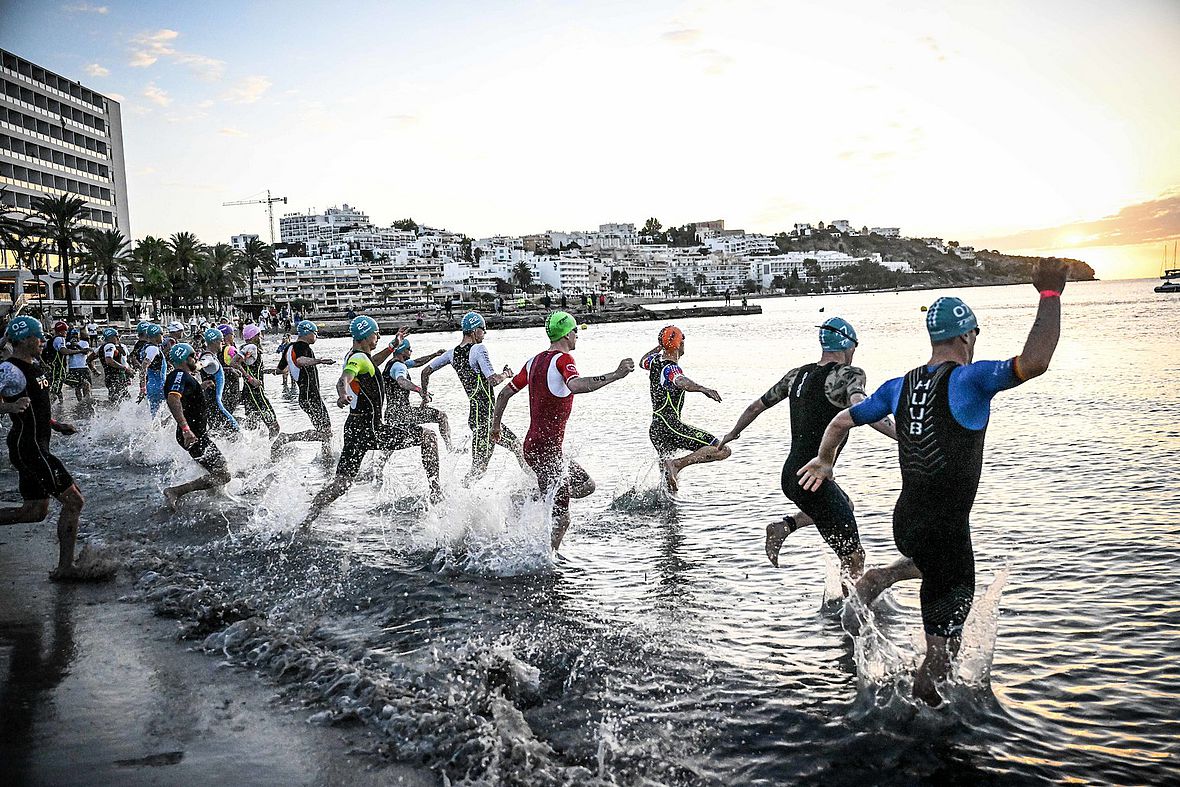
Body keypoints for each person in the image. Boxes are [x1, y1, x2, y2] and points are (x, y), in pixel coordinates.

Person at [797, 260, 1071, 705]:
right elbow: (1035, 361)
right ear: (966, 336)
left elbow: (843, 419)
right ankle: (924, 732)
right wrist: (1051, 294)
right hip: (946, 529)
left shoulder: (898, 385)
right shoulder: (972, 379)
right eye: (975, 336)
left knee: (929, 563)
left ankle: (882, 576)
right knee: (944, 651)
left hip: (906, 521)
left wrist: (825, 462)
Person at [718, 317, 896, 573]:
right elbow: (861, 406)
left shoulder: (797, 375)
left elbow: (756, 406)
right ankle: (848, 612)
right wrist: (903, 435)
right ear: (847, 344)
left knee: (845, 504)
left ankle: (785, 527)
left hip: (792, 476)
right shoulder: (848, 375)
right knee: (854, 557)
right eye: (855, 346)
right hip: (813, 479)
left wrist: (733, 433)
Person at [491, 311, 634, 550]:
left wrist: (496, 426)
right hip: (546, 451)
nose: (577, 335)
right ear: (567, 334)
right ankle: (547, 559)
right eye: (575, 330)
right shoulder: (563, 360)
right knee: (563, 518)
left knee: (587, 486)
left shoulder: (533, 361)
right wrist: (616, 375)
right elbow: (576, 385)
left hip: (536, 447)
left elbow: (505, 393)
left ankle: (530, 500)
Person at [299, 316, 441, 528]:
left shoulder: (358, 356)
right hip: (371, 429)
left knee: (342, 483)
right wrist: (342, 393)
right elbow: (344, 378)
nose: (378, 336)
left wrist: (393, 344)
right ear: (366, 335)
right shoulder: (358, 360)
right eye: (376, 333)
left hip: (354, 428)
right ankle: (437, 492)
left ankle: (306, 518)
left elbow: (373, 363)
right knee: (428, 436)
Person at [0, 316, 88, 580]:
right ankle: (65, 569)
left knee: (35, 512)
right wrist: (7, 407)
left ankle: (65, 567)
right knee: (74, 501)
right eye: (39, 336)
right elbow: (15, 405)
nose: (43, 341)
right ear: (25, 339)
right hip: (29, 448)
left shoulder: (34, 365)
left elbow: (36, 406)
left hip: (37, 444)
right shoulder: (10, 369)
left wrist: (55, 424)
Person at [420, 311, 525, 483]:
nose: (484, 334)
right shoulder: (478, 349)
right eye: (483, 330)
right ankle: (454, 499)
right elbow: (492, 380)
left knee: (485, 465)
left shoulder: (451, 354)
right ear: (475, 330)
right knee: (492, 461)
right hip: (485, 420)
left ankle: (455, 497)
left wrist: (424, 396)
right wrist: (506, 374)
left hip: (479, 417)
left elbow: (425, 371)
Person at [638, 325, 730, 492]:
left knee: (668, 482)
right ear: (679, 344)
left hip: (656, 428)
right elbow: (680, 381)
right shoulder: (671, 368)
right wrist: (703, 389)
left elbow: (642, 361)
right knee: (721, 449)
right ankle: (678, 464)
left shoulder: (654, 361)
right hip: (670, 426)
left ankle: (668, 510)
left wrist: (661, 346)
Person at [162, 342, 231, 507]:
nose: (196, 358)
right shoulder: (179, 375)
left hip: (196, 434)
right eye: (193, 355)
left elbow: (184, 396)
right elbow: (173, 398)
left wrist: (199, 388)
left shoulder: (183, 377)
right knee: (223, 474)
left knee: (219, 469)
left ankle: (211, 493)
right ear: (185, 358)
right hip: (192, 435)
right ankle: (176, 491)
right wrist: (185, 429)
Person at [271, 321, 336, 460]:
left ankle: (327, 457)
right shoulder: (302, 346)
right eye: (315, 333)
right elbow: (300, 361)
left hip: (308, 396)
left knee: (326, 430)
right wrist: (319, 361)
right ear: (308, 333)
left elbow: (280, 369)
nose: (316, 336)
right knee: (325, 433)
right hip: (309, 395)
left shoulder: (289, 347)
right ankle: (287, 438)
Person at [383, 338, 450, 450]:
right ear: (402, 350)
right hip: (403, 413)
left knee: (390, 448)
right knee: (441, 416)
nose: (411, 350)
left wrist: (434, 355)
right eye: (409, 349)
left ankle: (373, 467)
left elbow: (417, 362)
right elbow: (401, 381)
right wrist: (420, 390)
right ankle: (450, 448)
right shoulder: (399, 367)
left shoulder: (394, 364)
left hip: (391, 415)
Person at [238, 324, 278, 436]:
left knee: (253, 427)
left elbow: (250, 366)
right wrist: (250, 379)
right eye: (258, 335)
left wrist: (271, 371)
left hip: (249, 393)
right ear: (253, 336)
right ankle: (274, 452)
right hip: (255, 393)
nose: (260, 337)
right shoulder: (251, 348)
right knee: (274, 427)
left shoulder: (246, 348)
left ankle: (249, 450)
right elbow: (234, 362)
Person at [197, 328, 239, 434]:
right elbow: (203, 363)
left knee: (218, 434)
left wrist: (229, 369)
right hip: (215, 404)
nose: (223, 343)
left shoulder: (212, 356)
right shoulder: (208, 356)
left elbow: (214, 370)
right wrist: (196, 366)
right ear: (215, 341)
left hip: (212, 403)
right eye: (221, 340)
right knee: (236, 434)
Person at [139, 323, 168, 415]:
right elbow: (144, 366)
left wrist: (143, 387)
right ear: (156, 335)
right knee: (176, 408)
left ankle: (155, 429)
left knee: (155, 413)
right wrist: (142, 387)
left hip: (151, 386)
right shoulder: (153, 349)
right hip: (159, 386)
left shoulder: (146, 347)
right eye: (162, 334)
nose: (163, 336)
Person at [98, 327, 132, 403]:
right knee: (123, 399)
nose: (118, 338)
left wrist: (94, 370)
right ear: (111, 337)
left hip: (109, 377)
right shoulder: (110, 346)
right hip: (116, 377)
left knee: (115, 398)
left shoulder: (100, 348)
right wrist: (123, 367)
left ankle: (110, 414)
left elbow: (89, 359)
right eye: (116, 336)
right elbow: (109, 360)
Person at [61, 328, 93, 405]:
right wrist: (71, 346)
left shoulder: (84, 343)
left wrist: (77, 346)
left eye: (76, 334)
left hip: (84, 367)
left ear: (79, 335)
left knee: (87, 386)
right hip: (73, 368)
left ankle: (87, 401)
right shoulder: (67, 344)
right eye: (73, 335)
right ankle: (80, 402)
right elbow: (66, 352)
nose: (75, 336)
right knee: (77, 387)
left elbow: (86, 352)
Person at [43, 320, 69, 403]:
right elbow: (64, 351)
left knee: (57, 389)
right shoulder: (60, 339)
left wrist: (44, 365)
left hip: (51, 370)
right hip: (58, 371)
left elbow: (41, 353)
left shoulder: (49, 342)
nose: (66, 333)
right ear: (61, 331)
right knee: (53, 393)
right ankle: (47, 411)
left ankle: (61, 406)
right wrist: (80, 351)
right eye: (65, 331)